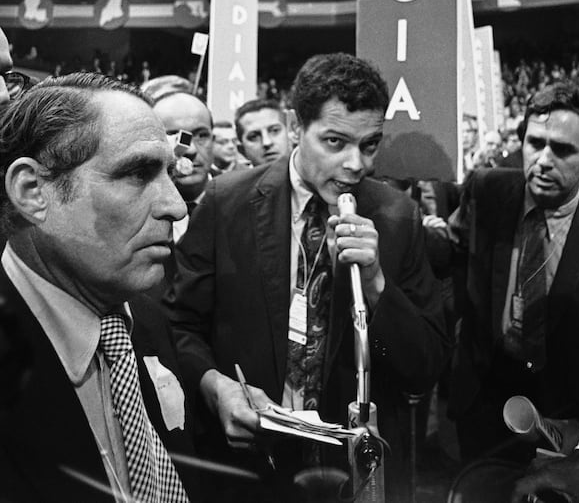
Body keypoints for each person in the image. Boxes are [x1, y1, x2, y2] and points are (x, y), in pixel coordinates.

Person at [164, 52, 448, 501]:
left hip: (353, 471)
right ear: (296, 127)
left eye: (370, 145)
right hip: (250, 466)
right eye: (335, 142)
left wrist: (376, 285)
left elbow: (422, 369)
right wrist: (215, 387)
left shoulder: (397, 217)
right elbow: (181, 324)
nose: (356, 164)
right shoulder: (227, 201)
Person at [0, 72, 201, 503]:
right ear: (33, 191)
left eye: (169, 172)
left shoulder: (143, 316)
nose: (176, 206)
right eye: (137, 174)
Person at [447, 82, 579, 466]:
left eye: (562, 149)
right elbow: (453, 249)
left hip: (563, 421)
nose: (543, 160)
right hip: (484, 405)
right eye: (535, 143)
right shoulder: (486, 188)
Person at [142, 76, 214, 242]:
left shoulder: (242, 202)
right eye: (173, 135)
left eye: (202, 135)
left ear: (214, 138)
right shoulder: (134, 212)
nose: (191, 150)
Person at [234, 98, 291, 167]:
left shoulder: (306, 175)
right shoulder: (229, 178)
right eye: (254, 137)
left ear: (290, 135)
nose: (267, 142)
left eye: (275, 130)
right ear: (242, 150)